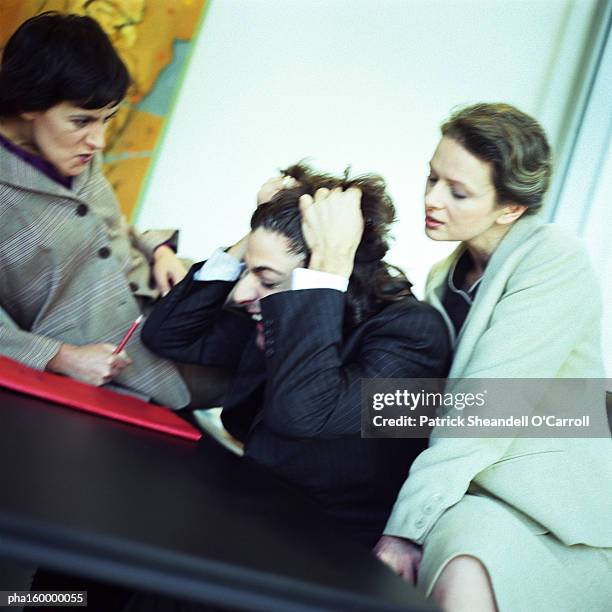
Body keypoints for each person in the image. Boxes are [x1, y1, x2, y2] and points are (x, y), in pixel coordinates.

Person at [370, 104, 612, 611]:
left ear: (510, 209)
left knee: (467, 564)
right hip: (471, 487)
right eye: (432, 177)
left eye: (458, 192)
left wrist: (405, 531)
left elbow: (486, 407)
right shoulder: (445, 274)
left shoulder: (554, 259)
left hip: (547, 509)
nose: (433, 199)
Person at [142, 163, 451, 546]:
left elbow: (303, 412)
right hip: (244, 502)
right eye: (250, 272)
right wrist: (257, 233)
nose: (241, 294)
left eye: (267, 279)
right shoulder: (269, 311)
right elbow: (169, 334)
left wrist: (323, 276)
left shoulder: (411, 333)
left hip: (320, 540)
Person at [0, 12, 226, 409]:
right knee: (297, 387)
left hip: (168, 303)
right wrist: (60, 357)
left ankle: (375, 421)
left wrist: (159, 251)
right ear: (26, 101)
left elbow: (102, 226)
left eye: (107, 119)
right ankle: (376, 419)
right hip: (126, 366)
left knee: (324, 327)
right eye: (82, 121)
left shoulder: (72, 148)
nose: (99, 140)